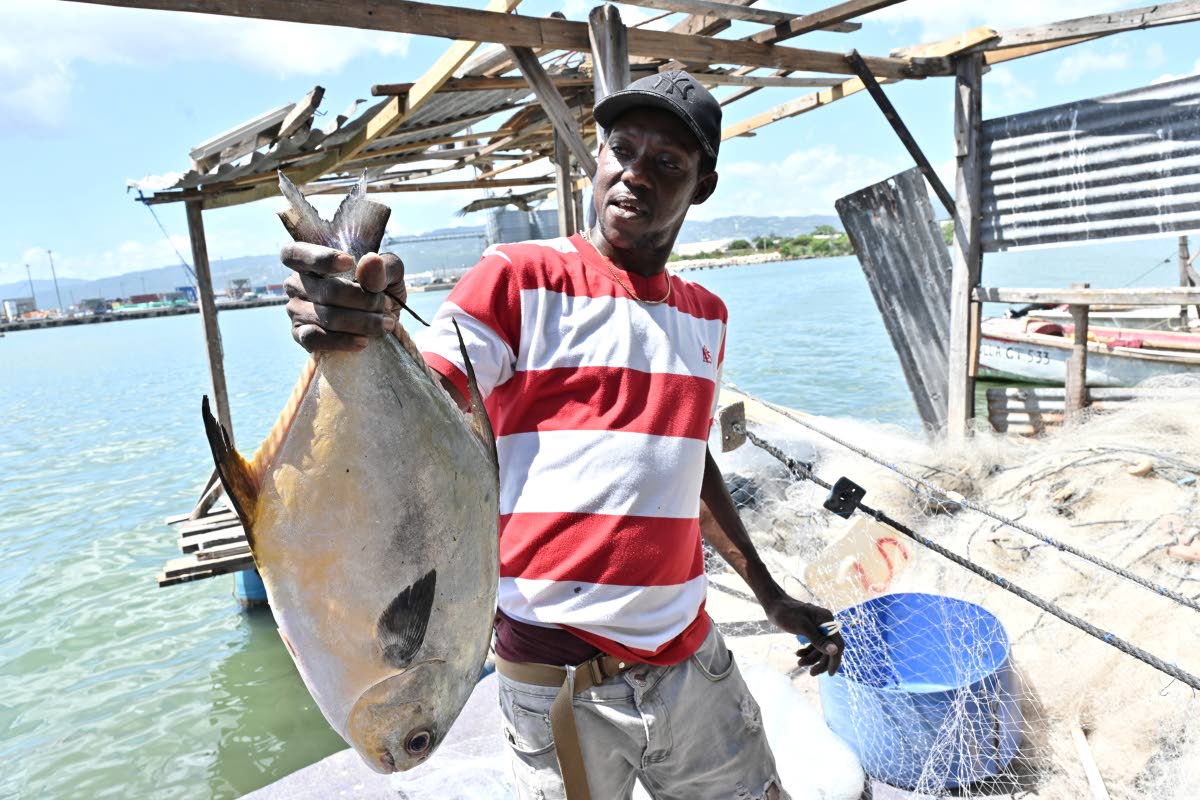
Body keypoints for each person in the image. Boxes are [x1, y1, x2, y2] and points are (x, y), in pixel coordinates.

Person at [280, 70, 844, 800]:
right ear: (598, 157)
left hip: (691, 658)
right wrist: (361, 321)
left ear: (702, 186)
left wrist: (768, 595)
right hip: (557, 680)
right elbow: (429, 394)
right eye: (621, 149)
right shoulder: (516, 276)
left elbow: (685, 464)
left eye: (667, 163)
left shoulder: (707, 315)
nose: (634, 175)